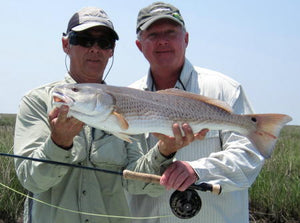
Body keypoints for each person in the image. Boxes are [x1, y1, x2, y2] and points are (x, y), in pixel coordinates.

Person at [13, 7, 204, 223]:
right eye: (84, 39)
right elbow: (31, 180)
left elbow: (137, 183)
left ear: (111, 50)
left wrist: (165, 151)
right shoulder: (38, 101)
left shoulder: (128, 103)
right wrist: (58, 143)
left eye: (104, 42)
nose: (95, 49)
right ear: (66, 44)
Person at [128, 2, 265, 223]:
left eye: (171, 32)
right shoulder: (127, 98)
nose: (162, 40)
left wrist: (198, 170)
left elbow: (249, 157)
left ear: (186, 39)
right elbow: (126, 172)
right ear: (139, 45)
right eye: (153, 34)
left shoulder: (225, 90)